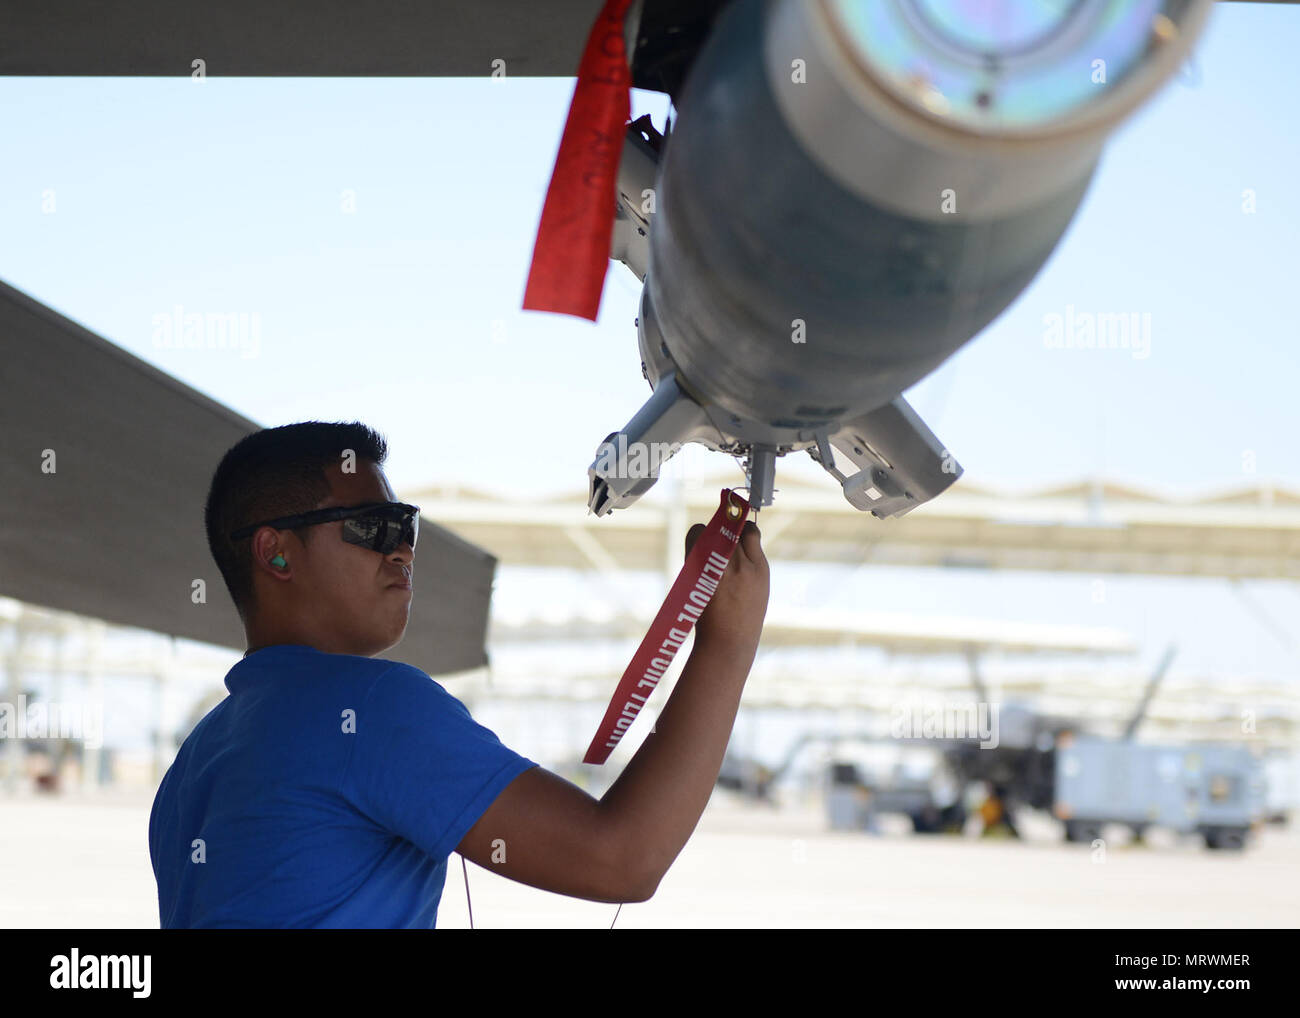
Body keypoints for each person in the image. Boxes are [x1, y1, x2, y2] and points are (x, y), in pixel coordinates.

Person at [148, 420, 768, 927]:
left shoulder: (194, 764)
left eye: (406, 525)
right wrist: (727, 641)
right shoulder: (371, 707)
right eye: (374, 527)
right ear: (275, 551)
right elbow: (622, 861)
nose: (403, 549)